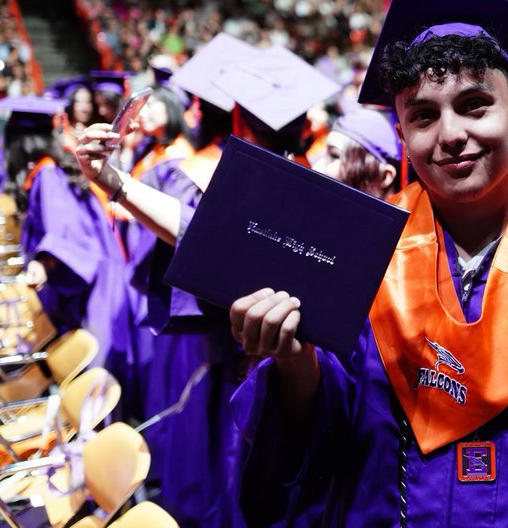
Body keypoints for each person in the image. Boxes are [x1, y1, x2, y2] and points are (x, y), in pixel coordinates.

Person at [229, 0, 508, 526]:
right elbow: (325, 437)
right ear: (401, 136)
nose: (451, 134)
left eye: (474, 105)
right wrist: (295, 360)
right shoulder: (360, 255)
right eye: (423, 116)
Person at [74, 33, 344, 528]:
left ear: (235, 119)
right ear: (306, 125)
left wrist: (115, 181)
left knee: (232, 479)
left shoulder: (242, 182)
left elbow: (195, 233)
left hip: (246, 370)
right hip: (306, 390)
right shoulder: (324, 191)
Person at [0, 93, 128, 367]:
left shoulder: (48, 175)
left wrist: (44, 261)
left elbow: (65, 231)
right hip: (98, 274)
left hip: (95, 285)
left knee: (95, 366)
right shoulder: (50, 169)